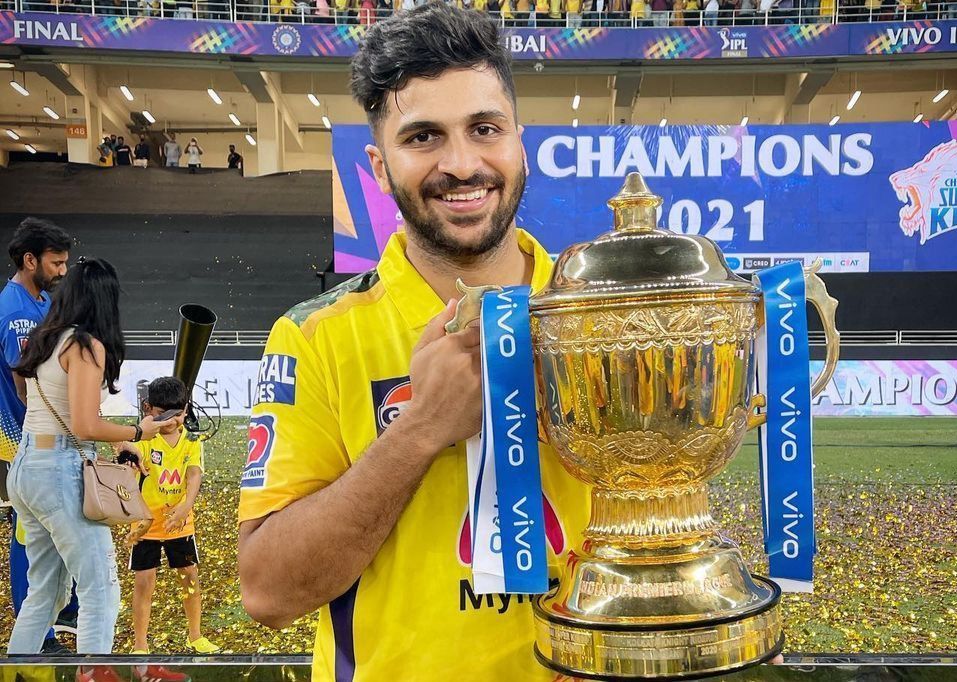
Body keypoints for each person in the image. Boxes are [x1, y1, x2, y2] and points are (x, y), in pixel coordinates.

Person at [236, 5, 590, 680]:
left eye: (484, 129)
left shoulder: (595, 314)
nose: (462, 164)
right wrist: (420, 429)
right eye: (423, 137)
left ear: (520, 141)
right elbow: (269, 592)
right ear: (378, 165)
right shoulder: (316, 337)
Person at [5, 258, 181, 655]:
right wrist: (139, 431)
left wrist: (117, 442)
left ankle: (19, 670)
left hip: (27, 468)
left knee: (45, 592)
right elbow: (84, 424)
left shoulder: (45, 337)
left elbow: (39, 400)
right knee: (100, 589)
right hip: (59, 473)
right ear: (106, 299)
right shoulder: (86, 345)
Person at [0, 218, 76, 656]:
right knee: (27, 530)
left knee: (42, 527)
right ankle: (38, 634)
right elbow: (24, 387)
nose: (63, 270)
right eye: (56, 262)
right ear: (30, 260)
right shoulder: (14, 313)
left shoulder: (40, 298)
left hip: (36, 437)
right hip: (19, 437)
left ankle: (56, 611)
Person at [116, 377, 220, 655]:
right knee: (143, 583)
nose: (171, 421)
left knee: (189, 577)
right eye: (163, 415)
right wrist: (126, 447)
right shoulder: (145, 438)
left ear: (185, 410)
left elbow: (194, 475)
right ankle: (140, 644)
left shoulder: (191, 441)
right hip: (145, 526)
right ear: (149, 409)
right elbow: (127, 455)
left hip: (180, 525)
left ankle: (195, 636)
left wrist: (186, 507)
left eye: (178, 414)